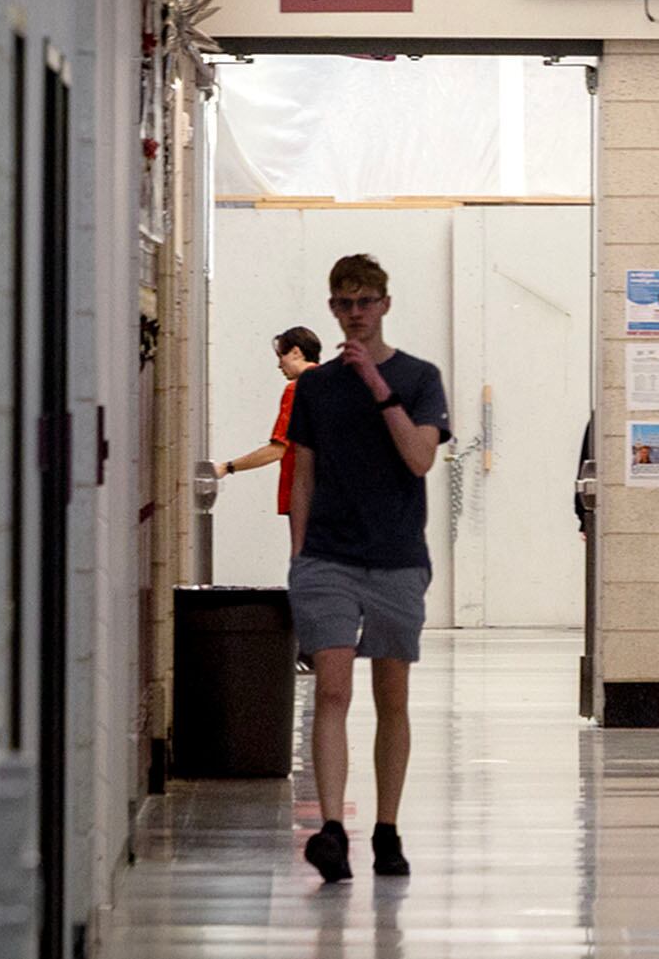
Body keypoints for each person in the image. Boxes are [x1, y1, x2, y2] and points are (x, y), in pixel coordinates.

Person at [286, 253, 449, 885]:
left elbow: (418, 460)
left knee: (392, 696)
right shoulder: (315, 387)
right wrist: (300, 555)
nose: (355, 314)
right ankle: (332, 828)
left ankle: (387, 828)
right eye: (344, 304)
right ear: (332, 309)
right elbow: (303, 469)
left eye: (365, 303)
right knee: (331, 690)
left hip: (396, 559)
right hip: (328, 557)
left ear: (384, 305)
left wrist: (378, 388)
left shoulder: (418, 378)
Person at [219, 327, 323, 518]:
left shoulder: (298, 390)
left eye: (281, 356)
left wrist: (227, 467)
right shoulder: (333, 385)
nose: (279, 365)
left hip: (305, 497)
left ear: (296, 352)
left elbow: (278, 449)